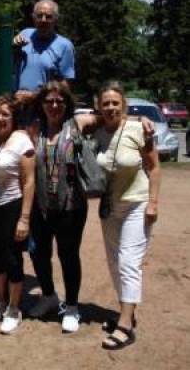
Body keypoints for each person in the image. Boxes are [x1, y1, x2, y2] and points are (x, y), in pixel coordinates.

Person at [94, 81, 160, 350]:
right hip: (110, 207)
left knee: (128, 262)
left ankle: (125, 326)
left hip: (137, 204)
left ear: (123, 105)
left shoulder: (138, 129)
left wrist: (153, 203)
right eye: (105, 103)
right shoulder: (95, 131)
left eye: (115, 103)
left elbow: (154, 167)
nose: (110, 107)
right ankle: (127, 313)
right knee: (113, 263)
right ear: (99, 106)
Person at [27, 81, 87, 333]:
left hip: (71, 205)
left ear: (66, 104)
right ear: (41, 104)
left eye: (59, 101)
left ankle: (72, 306)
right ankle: (49, 295)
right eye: (49, 101)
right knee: (39, 253)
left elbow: (110, 117)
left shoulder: (77, 124)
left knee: (68, 255)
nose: (54, 105)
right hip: (41, 205)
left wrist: (139, 121)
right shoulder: (34, 130)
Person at [0, 95, 36, 335]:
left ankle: (14, 308)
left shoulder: (22, 140)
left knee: (12, 258)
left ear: (14, 119)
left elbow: (29, 181)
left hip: (11, 206)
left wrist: (24, 218)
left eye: (5, 114)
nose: (0, 118)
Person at [13, 0, 75, 126]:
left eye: (48, 16)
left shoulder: (64, 46)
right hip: (16, 109)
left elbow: (65, 87)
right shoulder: (25, 34)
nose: (43, 20)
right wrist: (12, 44)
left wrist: (33, 96)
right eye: (39, 16)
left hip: (44, 113)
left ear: (56, 19)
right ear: (33, 17)